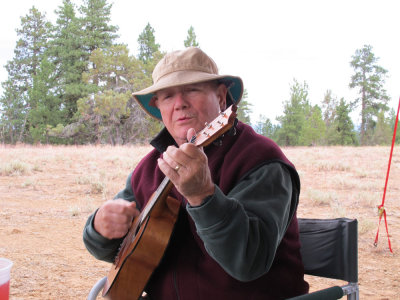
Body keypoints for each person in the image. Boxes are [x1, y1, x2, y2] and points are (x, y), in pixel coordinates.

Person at [83, 47, 309, 299]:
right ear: (159, 107)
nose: (179, 103)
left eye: (192, 89)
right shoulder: (151, 167)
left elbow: (248, 262)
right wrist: (99, 228)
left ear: (222, 98)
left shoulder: (261, 160)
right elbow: (116, 249)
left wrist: (204, 196)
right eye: (167, 96)